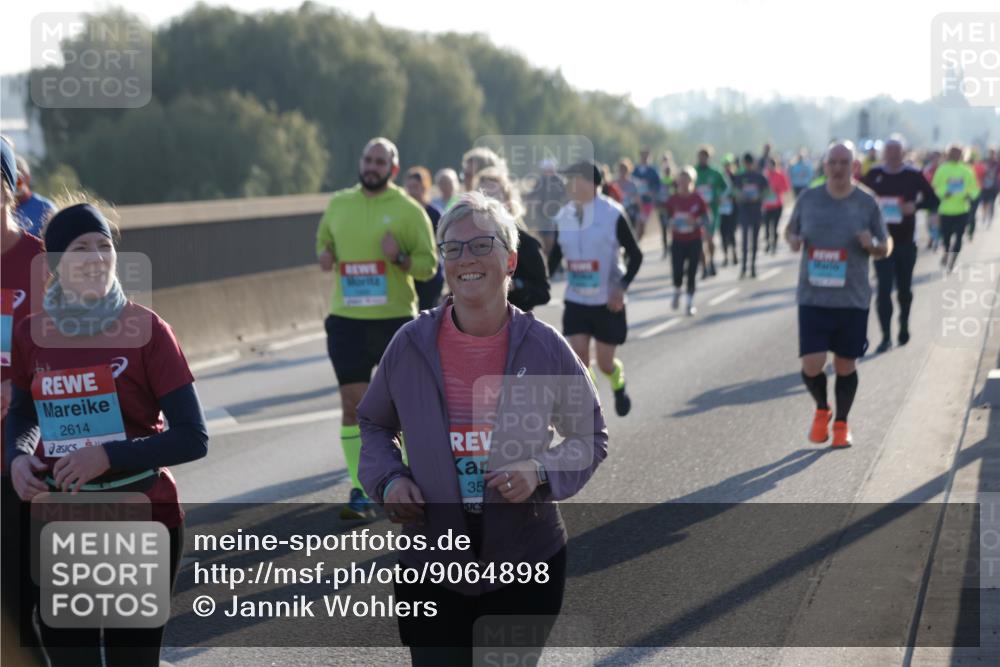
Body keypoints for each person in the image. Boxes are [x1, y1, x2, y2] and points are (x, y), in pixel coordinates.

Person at [357, 191, 608, 667]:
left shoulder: (545, 348)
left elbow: (589, 437)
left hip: (525, 560)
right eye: (452, 248)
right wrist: (390, 478)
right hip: (430, 560)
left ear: (511, 260)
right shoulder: (410, 344)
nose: (465, 259)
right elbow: (373, 422)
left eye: (480, 245)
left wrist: (539, 469)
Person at [5, 200, 209, 666]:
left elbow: (192, 436)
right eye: (81, 249)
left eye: (105, 245)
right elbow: (22, 412)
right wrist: (18, 456)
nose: (97, 257)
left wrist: (108, 455)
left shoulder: (148, 330)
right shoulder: (31, 334)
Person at [316, 137, 437, 520]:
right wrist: (325, 254)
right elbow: (323, 242)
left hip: (393, 320)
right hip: (347, 320)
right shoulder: (340, 203)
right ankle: (360, 489)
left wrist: (398, 257)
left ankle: (401, 478)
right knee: (353, 404)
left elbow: (429, 265)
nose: (371, 166)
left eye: (380, 161)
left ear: (393, 169)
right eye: (367, 159)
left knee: (397, 409)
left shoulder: (408, 210)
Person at [786, 142, 891, 448]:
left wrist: (871, 244)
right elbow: (790, 231)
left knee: (846, 365)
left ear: (853, 166)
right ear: (825, 165)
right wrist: (793, 239)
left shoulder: (867, 202)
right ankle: (822, 408)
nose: (838, 167)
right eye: (833, 162)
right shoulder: (809, 198)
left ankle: (842, 424)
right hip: (813, 296)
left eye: (844, 162)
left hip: (852, 298)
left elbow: (886, 245)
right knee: (812, 363)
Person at [1, 138, 48, 667]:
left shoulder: (44, 262)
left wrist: (23, 385)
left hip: (33, 462)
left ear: (11, 187)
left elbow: (89, 353)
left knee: (30, 613)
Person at [550, 161, 643, 416]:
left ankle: (617, 381)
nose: (569, 186)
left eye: (574, 180)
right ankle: (591, 406)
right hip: (576, 299)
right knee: (579, 359)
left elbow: (636, 255)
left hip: (606, 300)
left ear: (591, 184)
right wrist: (542, 279)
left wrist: (621, 288)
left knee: (604, 364)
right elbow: (555, 255)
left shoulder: (613, 213)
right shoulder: (564, 215)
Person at [861, 135, 940, 352]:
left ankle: (903, 324)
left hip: (906, 241)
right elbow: (859, 199)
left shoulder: (913, 175)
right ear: (884, 153)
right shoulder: (874, 174)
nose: (893, 155)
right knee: (883, 289)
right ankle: (885, 336)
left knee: (904, 289)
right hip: (881, 242)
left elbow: (934, 200)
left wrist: (916, 206)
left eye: (897, 152)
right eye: (889, 151)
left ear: (903, 153)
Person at [474, 167, 550, 311]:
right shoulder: (467, 243)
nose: (489, 206)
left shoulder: (526, 244)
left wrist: (516, 285)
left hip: (514, 326)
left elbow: (543, 293)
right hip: (474, 327)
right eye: (483, 198)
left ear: (508, 201)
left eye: (495, 198)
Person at [664, 167, 710, 316]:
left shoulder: (698, 198)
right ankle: (677, 289)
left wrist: (695, 222)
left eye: (686, 180)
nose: (683, 183)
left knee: (692, 272)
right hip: (678, 240)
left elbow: (706, 218)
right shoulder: (673, 200)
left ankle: (689, 303)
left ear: (692, 181)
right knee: (677, 271)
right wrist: (671, 222)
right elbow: (666, 217)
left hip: (694, 239)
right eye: (681, 180)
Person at [931, 143, 980, 273]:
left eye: (958, 153)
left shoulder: (967, 170)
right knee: (946, 237)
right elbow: (936, 186)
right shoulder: (942, 169)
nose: (956, 155)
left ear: (962, 155)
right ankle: (946, 252)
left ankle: (953, 260)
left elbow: (974, 188)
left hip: (962, 210)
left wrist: (970, 195)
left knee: (959, 237)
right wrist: (944, 193)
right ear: (949, 154)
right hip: (946, 210)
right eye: (953, 153)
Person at [405, 166, 445, 310]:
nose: (411, 191)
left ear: (425, 187)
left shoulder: (435, 214)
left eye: (415, 187)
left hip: (430, 277)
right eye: (408, 187)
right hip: (408, 274)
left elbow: (441, 244)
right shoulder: (403, 214)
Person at [731, 152, 770, 278]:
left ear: (753, 163)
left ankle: (752, 267)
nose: (747, 165)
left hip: (756, 211)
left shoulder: (759, 177)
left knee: (754, 240)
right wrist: (740, 196)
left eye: (749, 163)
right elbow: (734, 191)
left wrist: (759, 196)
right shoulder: (740, 176)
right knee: (744, 241)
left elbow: (768, 191)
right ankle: (743, 268)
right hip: (744, 211)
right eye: (746, 163)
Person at [694, 146, 727, 278]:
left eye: (705, 156)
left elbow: (726, 187)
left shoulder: (715, 172)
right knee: (700, 240)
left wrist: (720, 196)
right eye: (701, 156)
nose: (703, 158)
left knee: (710, 239)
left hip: (711, 211)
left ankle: (711, 261)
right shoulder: (693, 172)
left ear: (709, 157)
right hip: (696, 213)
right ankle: (704, 267)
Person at [12, 156, 55, 238]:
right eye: (10, 177)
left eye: (18, 177)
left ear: (27, 178)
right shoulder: (3, 208)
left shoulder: (45, 208)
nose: (15, 181)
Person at [632, 147, 661, 240]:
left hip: (647, 202)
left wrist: (651, 192)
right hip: (636, 202)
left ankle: (638, 240)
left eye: (647, 156)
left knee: (642, 225)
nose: (645, 158)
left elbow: (658, 185)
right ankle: (634, 242)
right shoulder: (635, 170)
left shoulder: (653, 171)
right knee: (635, 223)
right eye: (643, 156)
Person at [763, 157, 791, 254]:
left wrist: (776, 188)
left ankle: (774, 245)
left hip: (777, 205)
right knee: (766, 226)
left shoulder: (780, 175)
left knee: (774, 227)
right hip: (767, 206)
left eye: (772, 165)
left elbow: (786, 188)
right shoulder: (765, 175)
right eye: (768, 165)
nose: (770, 167)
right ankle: (767, 242)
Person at [719, 156, 739, 267]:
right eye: (725, 165)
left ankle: (734, 254)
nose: (727, 167)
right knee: (723, 234)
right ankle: (726, 256)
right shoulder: (720, 178)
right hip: (721, 210)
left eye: (729, 165)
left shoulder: (735, 178)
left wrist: (732, 197)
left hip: (732, 210)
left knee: (731, 233)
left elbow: (738, 192)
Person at [979, 148, 999, 229]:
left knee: (992, 203)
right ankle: (984, 216)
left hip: (994, 187)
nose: (991, 155)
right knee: (984, 203)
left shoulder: (997, 163)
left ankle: (990, 218)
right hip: (985, 186)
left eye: (992, 153)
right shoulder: (985, 162)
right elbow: (980, 172)